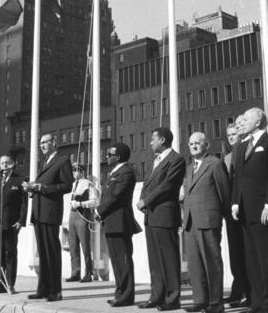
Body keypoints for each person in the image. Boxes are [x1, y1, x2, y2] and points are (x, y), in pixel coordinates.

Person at [231, 108, 268, 313]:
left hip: (264, 209)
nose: (242, 122)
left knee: (267, 259)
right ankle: (257, 303)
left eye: (246, 119)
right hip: (245, 211)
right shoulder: (242, 146)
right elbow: (238, 178)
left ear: (258, 121)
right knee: (252, 259)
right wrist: (235, 203)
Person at [136, 127, 185, 311]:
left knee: (169, 258)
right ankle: (156, 296)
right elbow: (147, 183)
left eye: (152, 139)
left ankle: (172, 298)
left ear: (162, 140)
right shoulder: (155, 161)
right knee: (155, 259)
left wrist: (146, 201)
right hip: (152, 215)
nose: (150, 143)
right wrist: (142, 200)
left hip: (165, 215)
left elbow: (168, 186)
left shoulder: (176, 160)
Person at [182, 132, 230, 313]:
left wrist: (223, 217)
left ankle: (216, 304)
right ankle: (200, 300)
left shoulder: (215, 164)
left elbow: (224, 192)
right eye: (191, 143)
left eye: (198, 143)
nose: (194, 146)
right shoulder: (189, 168)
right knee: (194, 264)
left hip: (208, 219)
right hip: (190, 221)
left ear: (207, 145)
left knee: (212, 262)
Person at [23, 133, 73, 302]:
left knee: (52, 251)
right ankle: (43, 289)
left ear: (54, 143)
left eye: (45, 142)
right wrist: (32, 188)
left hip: (50, 213)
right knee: (43, 253)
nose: (42, 145)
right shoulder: (44, 162)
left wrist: (42, 188)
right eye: (41, 143)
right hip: (38, 212)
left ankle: (55, 291)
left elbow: (67, 186)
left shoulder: (62, 160)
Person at [96, 143, 140, 307]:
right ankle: (120, 293)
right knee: (116, 260)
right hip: (111, 221)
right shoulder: (114, 172)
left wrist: (99, 212)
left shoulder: (126, 172)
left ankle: (127, 296)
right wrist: (103, 215)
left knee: (123, 259)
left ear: (119, 156)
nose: (106, 156)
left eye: (110, 154)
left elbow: (115, 197)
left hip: (120, 222)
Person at [0, 153, 27, 293]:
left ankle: (10, 284)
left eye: (7, 162)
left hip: (11, 223)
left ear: (13, 163)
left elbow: (24, 203)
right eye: (2, 163)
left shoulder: (19, 180)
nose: (5, 165)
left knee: (10, 253)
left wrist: (21, 221)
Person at [222, 120, 251, 307]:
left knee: (246, 252)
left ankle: (248, 292)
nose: (232, 137)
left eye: (234, 133)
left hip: (246, 208)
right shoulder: (227, 158)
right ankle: (237, 289)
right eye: (229, 135)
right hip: (231, 210)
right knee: (235, 253)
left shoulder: (248, 151)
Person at [66, 163, 98, 283]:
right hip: (72, 215)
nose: (74, 172)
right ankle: (75, 272)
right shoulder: (73, 184)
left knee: (85, 245)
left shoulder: (88, 184)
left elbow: (94, 201)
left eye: (77, 170)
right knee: (73, 246)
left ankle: (88, 273)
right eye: (73, 170)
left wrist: (80, 204)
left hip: (82, 215)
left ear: (82, 171)